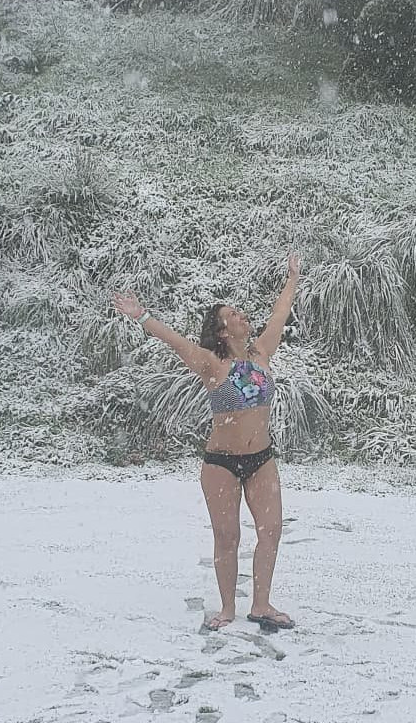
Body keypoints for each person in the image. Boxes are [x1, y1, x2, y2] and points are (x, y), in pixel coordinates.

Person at [112, 253, 300, 631]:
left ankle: (261, 605)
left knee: (270, 531)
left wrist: (293, 277)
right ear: (221, 331)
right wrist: (141, 315)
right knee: (227, 536)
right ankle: (228, 608)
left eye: (241, 311)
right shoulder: (211, 363)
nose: (242, 315)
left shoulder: (262, 351)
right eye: (233, 314)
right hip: (221, 464)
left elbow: (280, 313)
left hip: (262, 458)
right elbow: (174, 341)